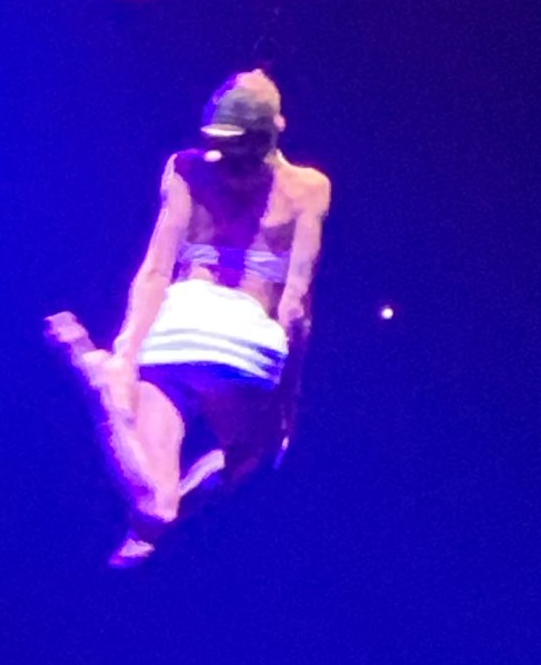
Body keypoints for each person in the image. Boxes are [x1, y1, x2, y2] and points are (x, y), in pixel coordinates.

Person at [45, 72, 329, 567]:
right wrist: (287, 402)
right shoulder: (308, 188)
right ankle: (150, 503)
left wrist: (126, 353)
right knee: (251, 457)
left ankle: (103, 387)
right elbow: (295, 308)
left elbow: (156, 271)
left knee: (158, 503)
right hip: (244, 349)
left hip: (178, 331)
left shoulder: (187, 169)